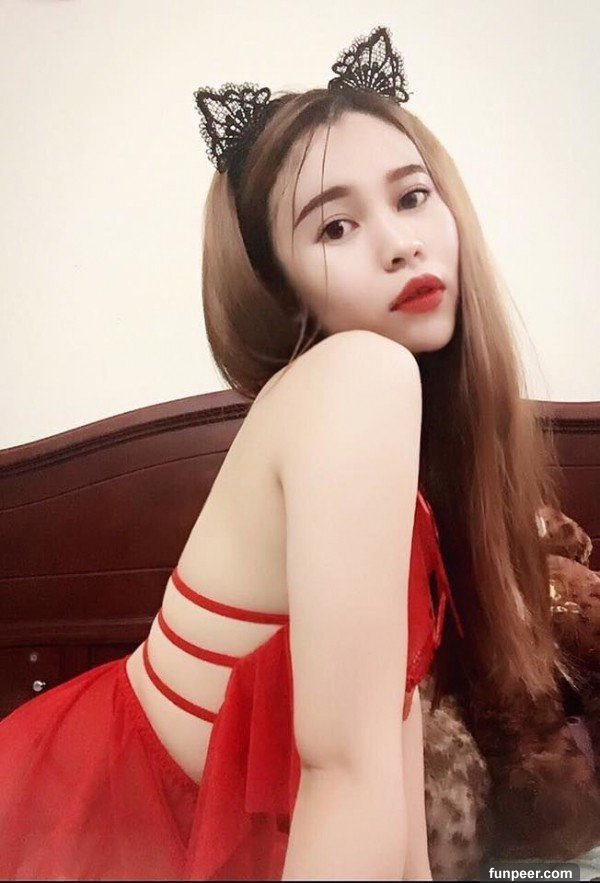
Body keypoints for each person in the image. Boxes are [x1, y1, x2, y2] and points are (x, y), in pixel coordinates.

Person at [0, 24, 596, 882]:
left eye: (413, 197)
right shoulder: (358, 376)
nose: (400, 242)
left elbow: (384, 770)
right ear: (283, 290)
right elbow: (345, 772)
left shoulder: (396, 437)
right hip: (83, 822)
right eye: (336, 226)